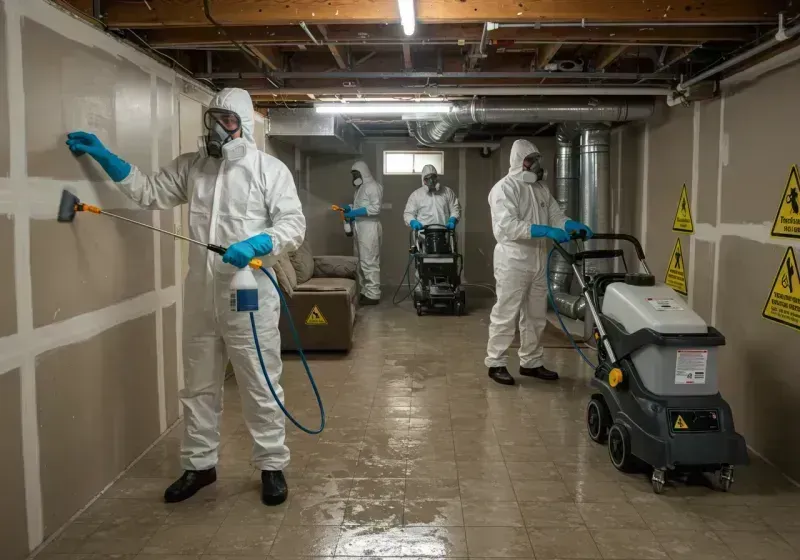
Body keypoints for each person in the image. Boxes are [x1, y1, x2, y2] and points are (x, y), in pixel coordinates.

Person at [65, 88, 305, 506]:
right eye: (212, 118)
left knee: (259, 383)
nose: (216, 128)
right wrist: (106, 158)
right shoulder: (192, 168)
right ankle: (200, 465)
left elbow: (293, 224)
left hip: (247, 292)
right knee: (197, 385)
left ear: (243, 125)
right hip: (200, 292)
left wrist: (258, 242)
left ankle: (271, 466)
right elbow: (148, 192)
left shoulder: (269, 170)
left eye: (226, 120)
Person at [485, 139, 592, 386]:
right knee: (506, 312)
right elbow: (508, 226)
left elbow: (555, 215)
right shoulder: (504, 188)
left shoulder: (541, 189)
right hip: (512, 259)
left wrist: (568, 224)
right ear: (519, 161)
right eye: (530, 159)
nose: (535, 165)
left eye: (537, 160)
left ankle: (530, 362)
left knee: (535, 315)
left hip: (538, 258)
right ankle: (496, 362)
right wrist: (544, 230)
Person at [340, 161, 383, 305]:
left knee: (369, 260)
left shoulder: (372, 187)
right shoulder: (359, 188)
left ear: (363, 173)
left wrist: (354, 212)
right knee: (360, 261)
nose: (354, 177)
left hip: (369, 228)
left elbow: (375, 208)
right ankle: (366, 291)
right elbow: (361, 205)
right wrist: (350, 209)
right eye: (353, 175)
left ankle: (373, 294)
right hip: (360, 227)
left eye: (356, 174)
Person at [403, 164, 461, 232]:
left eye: (433, 177)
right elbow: (408, 213)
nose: (431, 181)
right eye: (427, 178)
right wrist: (412, 221)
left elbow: (455, 208)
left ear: (437, 178)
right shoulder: (416, 195)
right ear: (423, 180)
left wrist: (452, 220)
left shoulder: (447, 192)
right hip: (424, 235)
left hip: (444, 233)